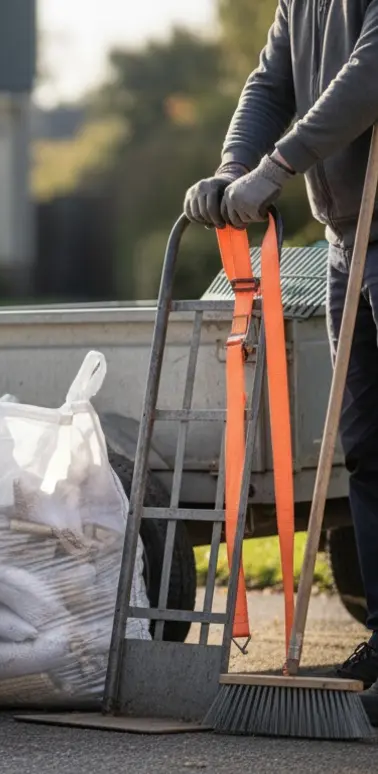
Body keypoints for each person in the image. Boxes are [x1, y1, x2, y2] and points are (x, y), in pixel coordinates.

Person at [184, 0, 378, 693]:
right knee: (365, 446)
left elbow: (368, 74)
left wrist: (276, 168)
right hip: (345, 240)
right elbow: (271, 84)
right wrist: (237, 166)